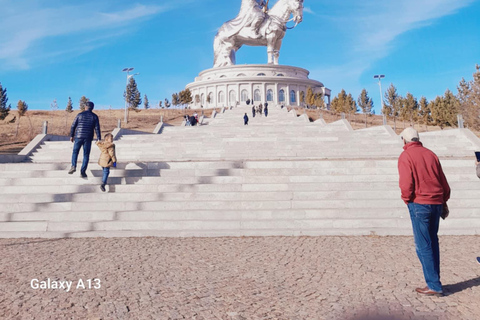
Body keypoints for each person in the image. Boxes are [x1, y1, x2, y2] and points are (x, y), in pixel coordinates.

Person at [398, 127, 450, 297]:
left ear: (404, 140)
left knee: (423, 246)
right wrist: (444, 200)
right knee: (433, 243)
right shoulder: (431, 154)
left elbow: (406, 184)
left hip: (419, 203)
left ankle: (434, 285)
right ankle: (435, 281)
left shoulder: (406, 156)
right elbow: (443, 181)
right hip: (436, 203)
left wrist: (407, 199)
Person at [69, 101, 101, 178]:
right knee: (86, 155)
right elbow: (97, 128)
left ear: (85, 107)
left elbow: (73, 126)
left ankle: (73, 166)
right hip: (88, 137)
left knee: (75, 152)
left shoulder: (79, 115)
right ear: (92, 108)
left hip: (78, 136)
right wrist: (99, 138)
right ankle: (83, 171)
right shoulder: (94, 116)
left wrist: (71, 135)